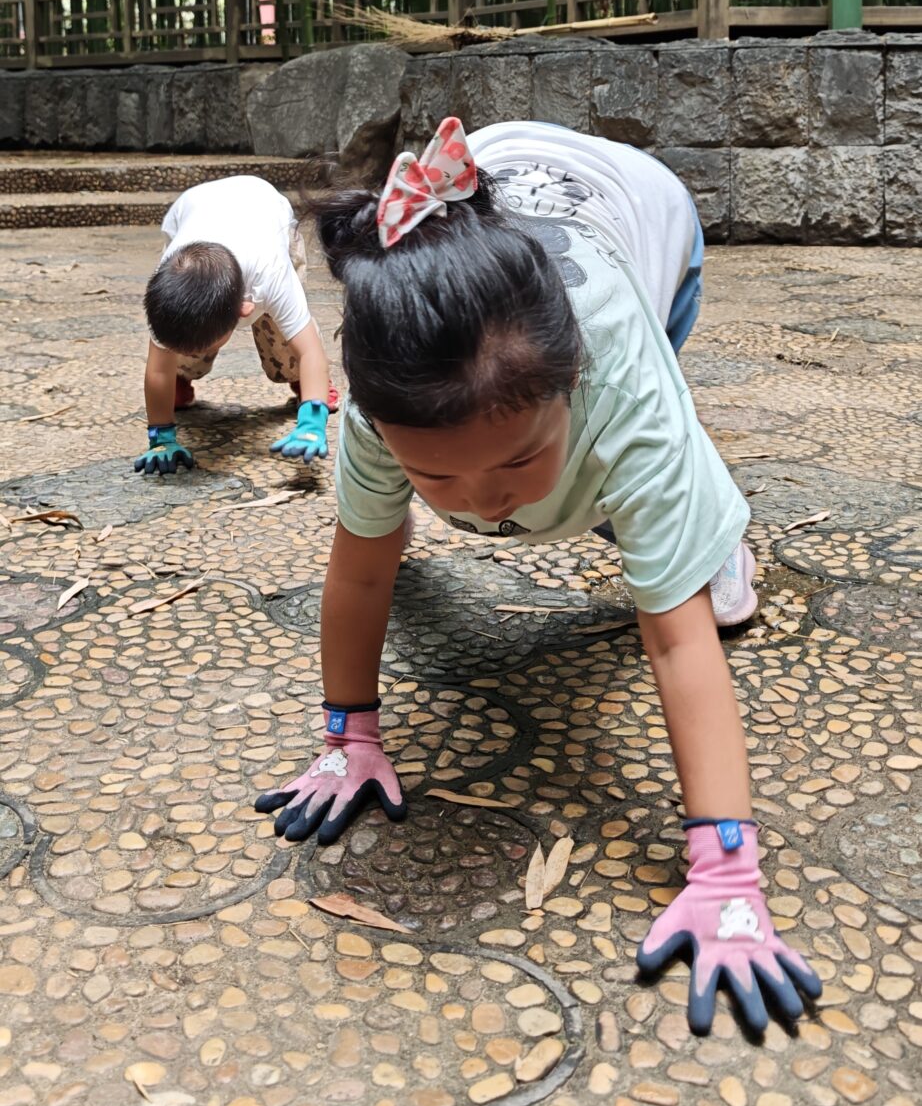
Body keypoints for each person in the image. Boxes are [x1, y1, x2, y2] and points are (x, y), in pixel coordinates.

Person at [255, 118, 822, 1035]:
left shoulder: (619, 386)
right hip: (481, 220)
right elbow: (359, 573)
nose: (485, 508)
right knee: (466, 488)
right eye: (434, 477)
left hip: (645, 216)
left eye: (516, 464)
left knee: (651, 493)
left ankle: (702, 530)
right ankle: (586, 487)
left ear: (573, 386)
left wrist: (727, 874)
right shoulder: (372, 407)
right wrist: (348, 733)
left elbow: (676, 647)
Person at [136, 174, 336, 476]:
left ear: (245, 310)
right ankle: (182, 378)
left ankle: (302, 381)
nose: (191, 352)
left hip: (266, 210)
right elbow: (157, 368)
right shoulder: (167, 294)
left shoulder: (272, 276)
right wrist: (160, 437)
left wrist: (313, 419)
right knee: (182, 342)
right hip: (192, 207)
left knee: (286, 340)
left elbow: (310, 350)